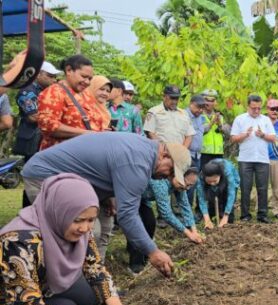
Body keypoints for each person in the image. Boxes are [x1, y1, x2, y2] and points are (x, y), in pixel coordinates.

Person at [0, 174, 141, 305]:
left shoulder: (77, 227)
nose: (85, 228)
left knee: (89, 296)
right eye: (78, 220)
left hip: (40, 290)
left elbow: (95, 269)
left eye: (91, 220)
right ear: (59, 211)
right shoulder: (17, 242)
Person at [21, 132, 191, 277]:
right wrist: (153, 252)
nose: (168, 177)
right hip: (46, 175)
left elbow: (101, 169)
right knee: (85, 231)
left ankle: (95, 280)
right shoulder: (138, 161)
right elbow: (127, 216)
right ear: (164, 155)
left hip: (79, 183)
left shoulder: (145, 150)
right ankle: (64, 284)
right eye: (170, 171)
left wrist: (107, 197)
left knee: (106, 223)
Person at [14, 61, 60, 207]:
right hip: (32, 140)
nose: (54, 80)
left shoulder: (46, 92)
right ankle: (28, 210)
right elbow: (33, 116)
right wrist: (57, 118)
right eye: (50, 76)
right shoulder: (27, 91)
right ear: (38, 74)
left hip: (43, 139)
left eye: (55, 77)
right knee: (33, 176)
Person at [37, 55, 108, 150]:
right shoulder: (54, 92)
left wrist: (101, 131)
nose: (87, 82)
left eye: (90, 79)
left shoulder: (86, 95)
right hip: (61, 156)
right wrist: (86, 133)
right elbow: (48, 126)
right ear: (69, 70)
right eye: (83, 76)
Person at [231, 95, 276, 223]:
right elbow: (233, 138)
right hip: (245, 159)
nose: (256, 111)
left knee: (262, 188)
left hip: (262, 159)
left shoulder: (266, 120)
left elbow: (273, 138)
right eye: (253, 108)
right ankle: (245, 215)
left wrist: (263, 135)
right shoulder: (240, 119)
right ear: (248, 106)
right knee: (245, 187)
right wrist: (245, 134)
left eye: (259, 108)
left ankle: (262, 215)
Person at [144, 168, 203, 244]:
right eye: (187, 184)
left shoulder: (180, 185)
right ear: (178, 176)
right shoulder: (160, 183)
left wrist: (194, 231)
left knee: (150, 223)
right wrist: (188, 233)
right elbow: (166, 214)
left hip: (145, 199)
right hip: (133, 197)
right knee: (139, 223)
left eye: (190, 186)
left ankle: (146, 249)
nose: (187, 188)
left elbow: (185, 206)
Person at [194, 158, 240, 229]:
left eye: (215, 181)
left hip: (231, 181)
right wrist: (207, 219)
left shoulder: (227, 173)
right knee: (211, 202)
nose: (212, 184)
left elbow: (231, 194)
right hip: (212, 181)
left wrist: (226, 216)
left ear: (219, 176)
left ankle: (224, 216)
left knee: (229, 219)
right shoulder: (201, 178)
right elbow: (201, 198)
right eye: (209, 181)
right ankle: (210, 218)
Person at [200, 89, 225, 165]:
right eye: (207, 100)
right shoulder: (198, 115)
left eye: (212, 100)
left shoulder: (220, 115)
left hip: (218, 153)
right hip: (203, 153)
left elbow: (225, 134)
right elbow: (201, 131)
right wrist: (212, 122)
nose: (210, 103)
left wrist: (220, 125)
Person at [186, 95, 207, 171]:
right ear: (190, 104)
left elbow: (202, 131)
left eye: (202, 107)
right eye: (198, 107)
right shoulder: (183, 116)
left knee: (194, 180)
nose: (200, 110)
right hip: (187, 155)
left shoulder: (201, 117)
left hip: (197, 156)